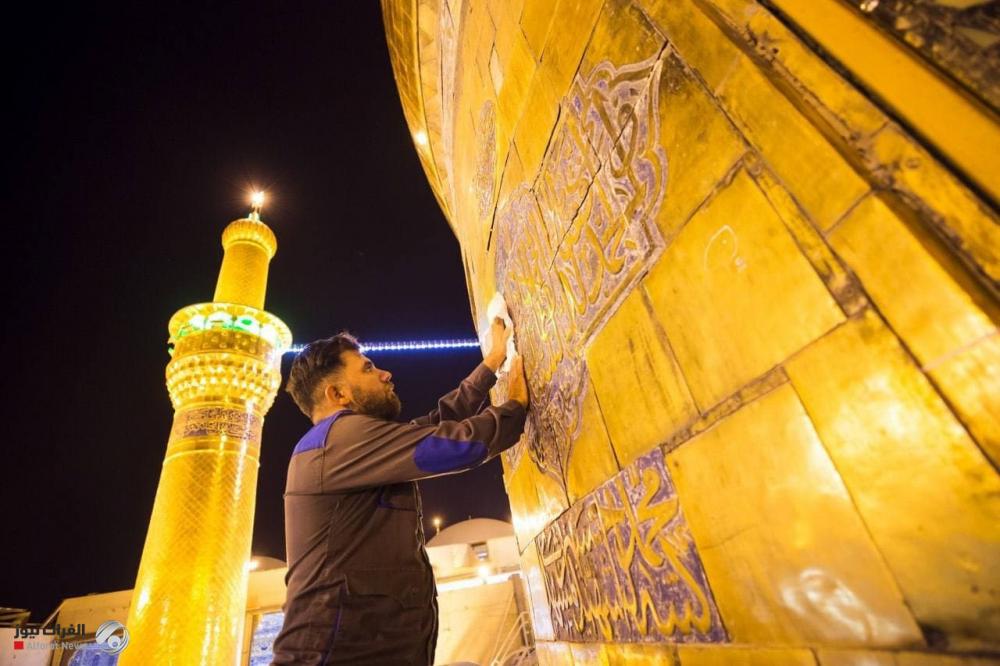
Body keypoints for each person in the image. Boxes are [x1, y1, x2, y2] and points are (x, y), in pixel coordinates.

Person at [270, 317, 529, 665]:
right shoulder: (339, 441)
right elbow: (461, 445)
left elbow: (433, 424)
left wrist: (491, 363)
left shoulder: (346, 442)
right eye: (368, 369)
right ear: (337, 393)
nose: (385, 374)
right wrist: (515, 403)